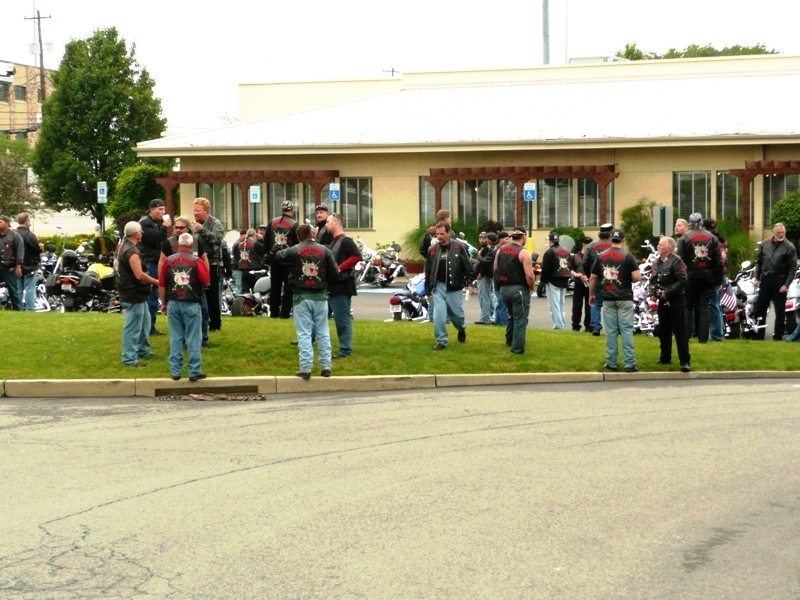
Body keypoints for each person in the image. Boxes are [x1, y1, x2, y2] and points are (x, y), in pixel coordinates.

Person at [275, 224, 339, 379]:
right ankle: (326, 366)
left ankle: (305, 368)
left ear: (298, 237)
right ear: (312, 234)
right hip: (320, 295)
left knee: (304, 333)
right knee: (323, 331)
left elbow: (278, 256)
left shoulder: (295, 250)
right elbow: (334, 273)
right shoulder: (325, 250)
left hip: (301, 296)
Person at [159, 232, 211, 382]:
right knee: (193, 337)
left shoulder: (168, 261)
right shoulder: (196, 261)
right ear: (191, 245)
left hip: (173, 302)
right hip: (191, 302)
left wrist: (163, 303)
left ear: (178, 245)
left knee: (176, 337)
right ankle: (195, 370)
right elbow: (206, 280)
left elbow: (162, 284)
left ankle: (175, 371)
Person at [589, 228, 641, 372]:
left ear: (612, 239)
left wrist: (591, 294)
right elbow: (637, 277)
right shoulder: (628, 256)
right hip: (624, 297)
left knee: (611, 331)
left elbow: (593, 277)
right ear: (623, 240)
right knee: (626, 330)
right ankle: (629, 363)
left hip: (607, 297)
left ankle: (611, 362)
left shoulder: (601, 256)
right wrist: (627, 279)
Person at [159, 217, 211, 347]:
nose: (178, 230)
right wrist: (163, 279)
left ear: (188, 228)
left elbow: (204, 259)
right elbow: (162, 261)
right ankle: (181, 341)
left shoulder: (197, 241)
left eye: (181, 227)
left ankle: (203, 339)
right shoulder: (168, 243)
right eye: (176, 227)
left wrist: (205, 278)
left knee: (203, 311)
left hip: (194, 284)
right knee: (178, 317)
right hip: (175, 285)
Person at [423, 221, 475, 350]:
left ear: (448, 233)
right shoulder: (432, 249)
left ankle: (461, 328)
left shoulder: (458, 247)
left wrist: (469, 284)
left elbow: (468, 267)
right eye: (437, 234)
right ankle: (442, 340)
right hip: (438, 286)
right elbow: (428, 270)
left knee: (456, 314)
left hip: (455, 286)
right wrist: (428, 291)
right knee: (438, 315)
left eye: (442, 234)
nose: (439, 236)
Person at [117, 221, 159, 367]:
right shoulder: (132, 252)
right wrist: (156, 282)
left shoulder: (123, 246)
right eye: (141, 231)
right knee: (133, 326)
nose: (142, 233)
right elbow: (139, 275)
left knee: (145, 322)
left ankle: (143, 350)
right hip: (133, 293)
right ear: (135, 234)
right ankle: (129, 358)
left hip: (133, 292)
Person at [677, 212, 722, 344]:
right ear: (702, 222)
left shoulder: (685, 238)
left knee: (687, 305)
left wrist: (680, 277)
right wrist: (718, 280)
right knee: (705, 306)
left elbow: (680, 260)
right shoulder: (712, 237)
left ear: (690, 224)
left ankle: (686, 336)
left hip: (690, 275)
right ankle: (703, 338)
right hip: (708, 275)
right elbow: (718, 260)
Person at [651, 236, 691, 372]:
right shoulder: (656, 262)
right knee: (663, 330)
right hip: (662, 301)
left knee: (680, 331)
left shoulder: (677, 261)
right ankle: (665, 358)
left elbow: (682, 280)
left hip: (676, 300)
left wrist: (668, 292)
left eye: (661, 245)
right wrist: (654, 292)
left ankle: (685, 361)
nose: (658, 246)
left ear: (669, 247)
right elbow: (653, 279)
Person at [325, 212, 362, 358]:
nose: (326, 225)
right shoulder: (334, 241)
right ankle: (307, 340)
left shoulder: (345, 240)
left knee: (342, 319)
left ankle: (345, 350)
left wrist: (340, 267)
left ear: (335, 222)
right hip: (331, 285)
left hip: (341, 285)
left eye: (328, 222)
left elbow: (356, 256)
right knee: (320, 316)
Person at [494, 226, 536, 354]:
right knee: (520, 319)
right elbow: (530, 275)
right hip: (518, 289)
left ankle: (510, 340)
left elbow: (495, 268)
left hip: (503, 289)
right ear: (524, 237)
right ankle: (517, 348)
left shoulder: (500, 250)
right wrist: (532, 288)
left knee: (511, 316)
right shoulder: (524, 253)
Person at [754, 222, 798, 341]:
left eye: (782, 232)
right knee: (760, 307)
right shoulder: (765, 243)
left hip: (780, 280)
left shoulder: (789, 247)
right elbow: (758, 262)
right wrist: (757, 278)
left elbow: (793, 267)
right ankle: (759, 333)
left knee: (779, 310)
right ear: (773, 232)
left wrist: (786, 284)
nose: (780, 234)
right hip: (766, 279)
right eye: (778, 232)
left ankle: (778, 335)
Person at [191, 198, 225, 331]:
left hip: (212, 263)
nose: (195, 213)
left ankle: (215, 324)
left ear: (206, 210)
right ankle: (199, 321)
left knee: (212, 294)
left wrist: (202, 230)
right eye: (194, 210)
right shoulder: (192, 224)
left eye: (198, 210)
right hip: (195, 263)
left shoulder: (215, 223)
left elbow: (217, 239)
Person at [138, 199, 171, 336]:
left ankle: (150, 325)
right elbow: (154, 238)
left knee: (153, 294)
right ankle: (149, 327)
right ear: (151, 209)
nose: (163, 212)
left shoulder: (151, 223)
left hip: (154, 260)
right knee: (151, 293)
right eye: (160, 209)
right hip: (149, 261)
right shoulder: (145, 222)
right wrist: (164, 227)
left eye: (164, 209)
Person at [265, 200, 299, 318]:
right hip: (289, 260)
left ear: (281, 210)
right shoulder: (294, 224)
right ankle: (284, 313)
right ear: (292, 210)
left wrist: (268, 255)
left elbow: (266, 240)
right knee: (288, 288)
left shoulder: (272, 222)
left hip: (274, 258)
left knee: (275, 287)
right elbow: (297, 243)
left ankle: (273, 312)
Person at [583, 223, 614, 335]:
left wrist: (590, 274)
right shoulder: (615, 245)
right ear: (611, 232)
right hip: (612, 278)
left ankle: (596, 327)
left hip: (596, 278)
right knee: (611, 304)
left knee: (595, 302)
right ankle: (613, 327)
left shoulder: (591, 246)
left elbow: (585, 262)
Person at [540, 232, 570, 330]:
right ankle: (562, 324)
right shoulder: (566, 251)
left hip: (553, 280)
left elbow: (545, 269)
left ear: (551, 241)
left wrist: (543, 281)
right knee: (561, 304)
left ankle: (558, 326)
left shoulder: (549, 252)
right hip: (564, 279)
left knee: (554, 305)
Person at [703, 218, 727, 341]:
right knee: (717, 306)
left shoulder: (710, 240)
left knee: (713, 305)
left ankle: (716, 335)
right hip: (722, 274)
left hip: (713, 275)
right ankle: (718, 333)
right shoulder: (721, 240)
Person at [16, 213, 42, 311]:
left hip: (16, 266)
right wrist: (41, 248)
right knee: (30, 290)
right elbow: (36, 249)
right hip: (29, 266)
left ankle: (18, 308)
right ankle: (30, 309)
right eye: (29, 220)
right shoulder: (30, 235)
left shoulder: (13, 234)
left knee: (18, 289)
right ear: (26, 221)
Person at [0, 215, 24, 310]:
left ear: (7, 223)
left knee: (13, 291)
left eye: (0, 222)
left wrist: (18, 267)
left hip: (9, 268)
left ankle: (17, 309)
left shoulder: (15, 236)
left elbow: (20, 252)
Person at [569, 236, 592, 332]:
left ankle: (588, 325)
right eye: (587, 244)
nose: (589, 246)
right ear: (583, 244)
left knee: (589, 306)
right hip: (578, 283)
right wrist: (576, 275)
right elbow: (571, 269)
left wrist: (589, 277)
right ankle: (575, 325)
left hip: (589, 283)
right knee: (577, 306)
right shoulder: (576, 256)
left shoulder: (592, 256)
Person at [233, 228, 265, 293]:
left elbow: (235, 255)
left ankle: (245, 302)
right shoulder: (256, 244)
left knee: (245, 290)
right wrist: (261, 240)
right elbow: (265, 250)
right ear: (254, 235)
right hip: (255, 270)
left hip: (243, 269)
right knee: (256, 290)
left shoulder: (238, 244)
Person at [474, 231, 496, 325]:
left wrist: (480, 273)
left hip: (484, 275)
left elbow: (485, 263)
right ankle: (490, 314)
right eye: (481, 238)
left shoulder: (488, 249)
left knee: (484, 296)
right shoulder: (484, 248)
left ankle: (485, 317)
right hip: (485, 274)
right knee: (487, 296)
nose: (482, 240)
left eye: (484, 238)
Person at [492, 231, 510, 326]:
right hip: (499, 281)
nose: (508, 240)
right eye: (506, 239)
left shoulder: (500, 250)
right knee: (502, 304)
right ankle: (503, 324)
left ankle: (498, 322)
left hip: (498, 281)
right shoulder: (498, 251)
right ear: (500, 239)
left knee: (500, 304)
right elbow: (497, 268)